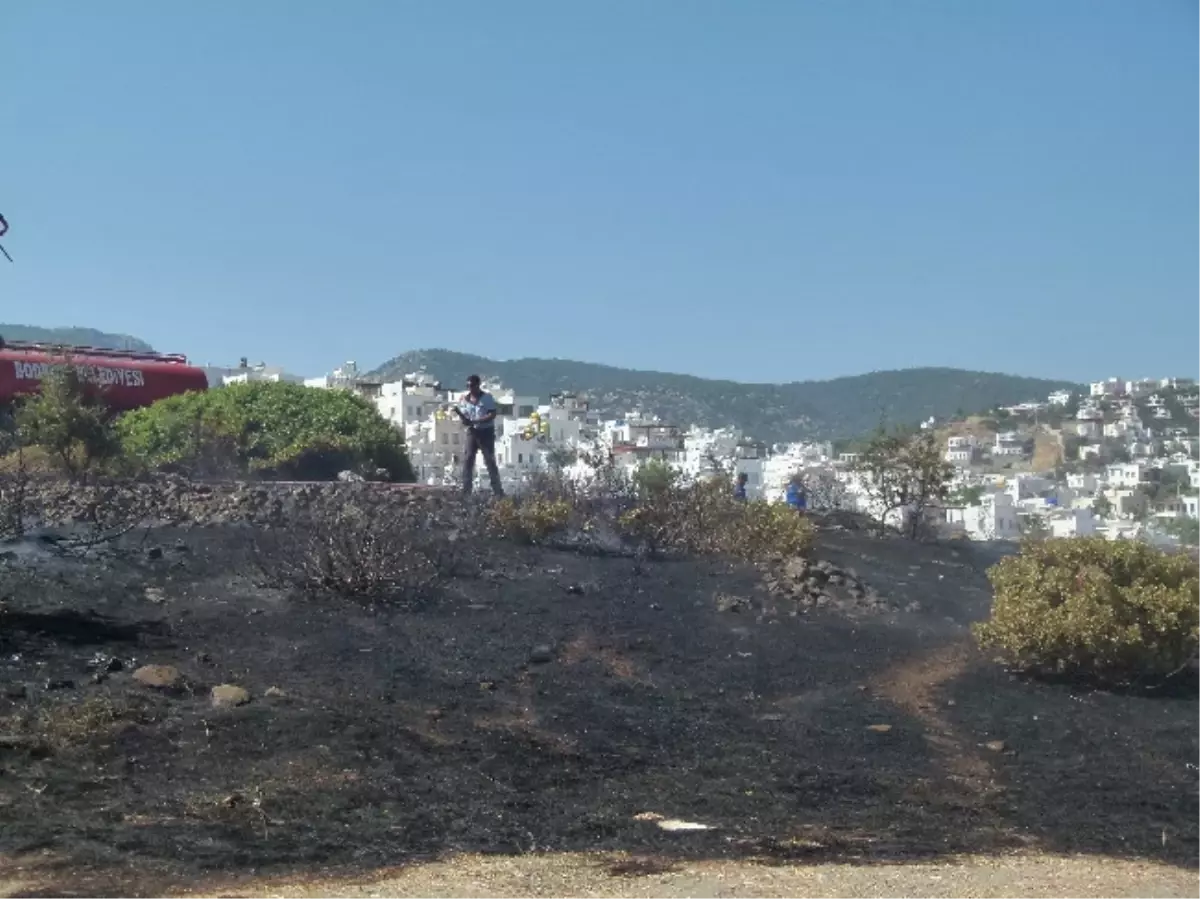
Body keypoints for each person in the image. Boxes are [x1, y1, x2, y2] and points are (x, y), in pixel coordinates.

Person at [456, 374, 504, 496]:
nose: (470, 388)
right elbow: (466, 415)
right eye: (468, 386)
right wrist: (464, 419)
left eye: (472, 385)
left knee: (489, 460)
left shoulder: (487, 398)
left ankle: (497, 491)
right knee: (468, 459)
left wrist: (477, 420)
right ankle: (466, 490)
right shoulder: (465, 399)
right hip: (472, 432)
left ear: (477, 385)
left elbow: (492, 414)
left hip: (486, 432)